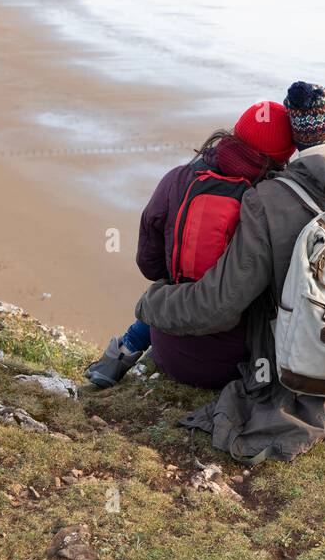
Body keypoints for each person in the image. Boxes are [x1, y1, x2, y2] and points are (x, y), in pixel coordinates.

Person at [135, 81, 325, 462]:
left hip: (293, 372)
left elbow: (218, 304)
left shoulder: (269, 201)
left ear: (299, 145)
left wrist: (153, 302)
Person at [85, 100, 295, 388]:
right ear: (283, 158)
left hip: (169, 351)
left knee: (176, 283)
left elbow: (149, 265)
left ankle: (122, 351)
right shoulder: (274, 203)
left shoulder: (177, 180)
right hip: (239, 363)